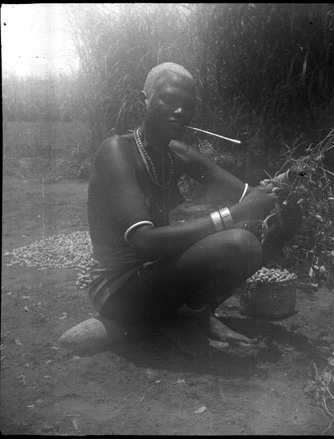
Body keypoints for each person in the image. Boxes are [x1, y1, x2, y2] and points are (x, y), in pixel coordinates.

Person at [72, 62, 300, 356]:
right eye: (169, 99)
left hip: (159, 275)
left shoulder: (178, 153)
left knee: (284, 218)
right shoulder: (117, 150)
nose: (179, 110)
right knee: (239, 241)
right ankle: (181, 317)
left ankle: (194, 314)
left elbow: (249, 194)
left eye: (188, 105)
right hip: (120, 290)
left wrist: (290, 179)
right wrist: (236, 213)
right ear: (145, 99)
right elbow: (143, 242)